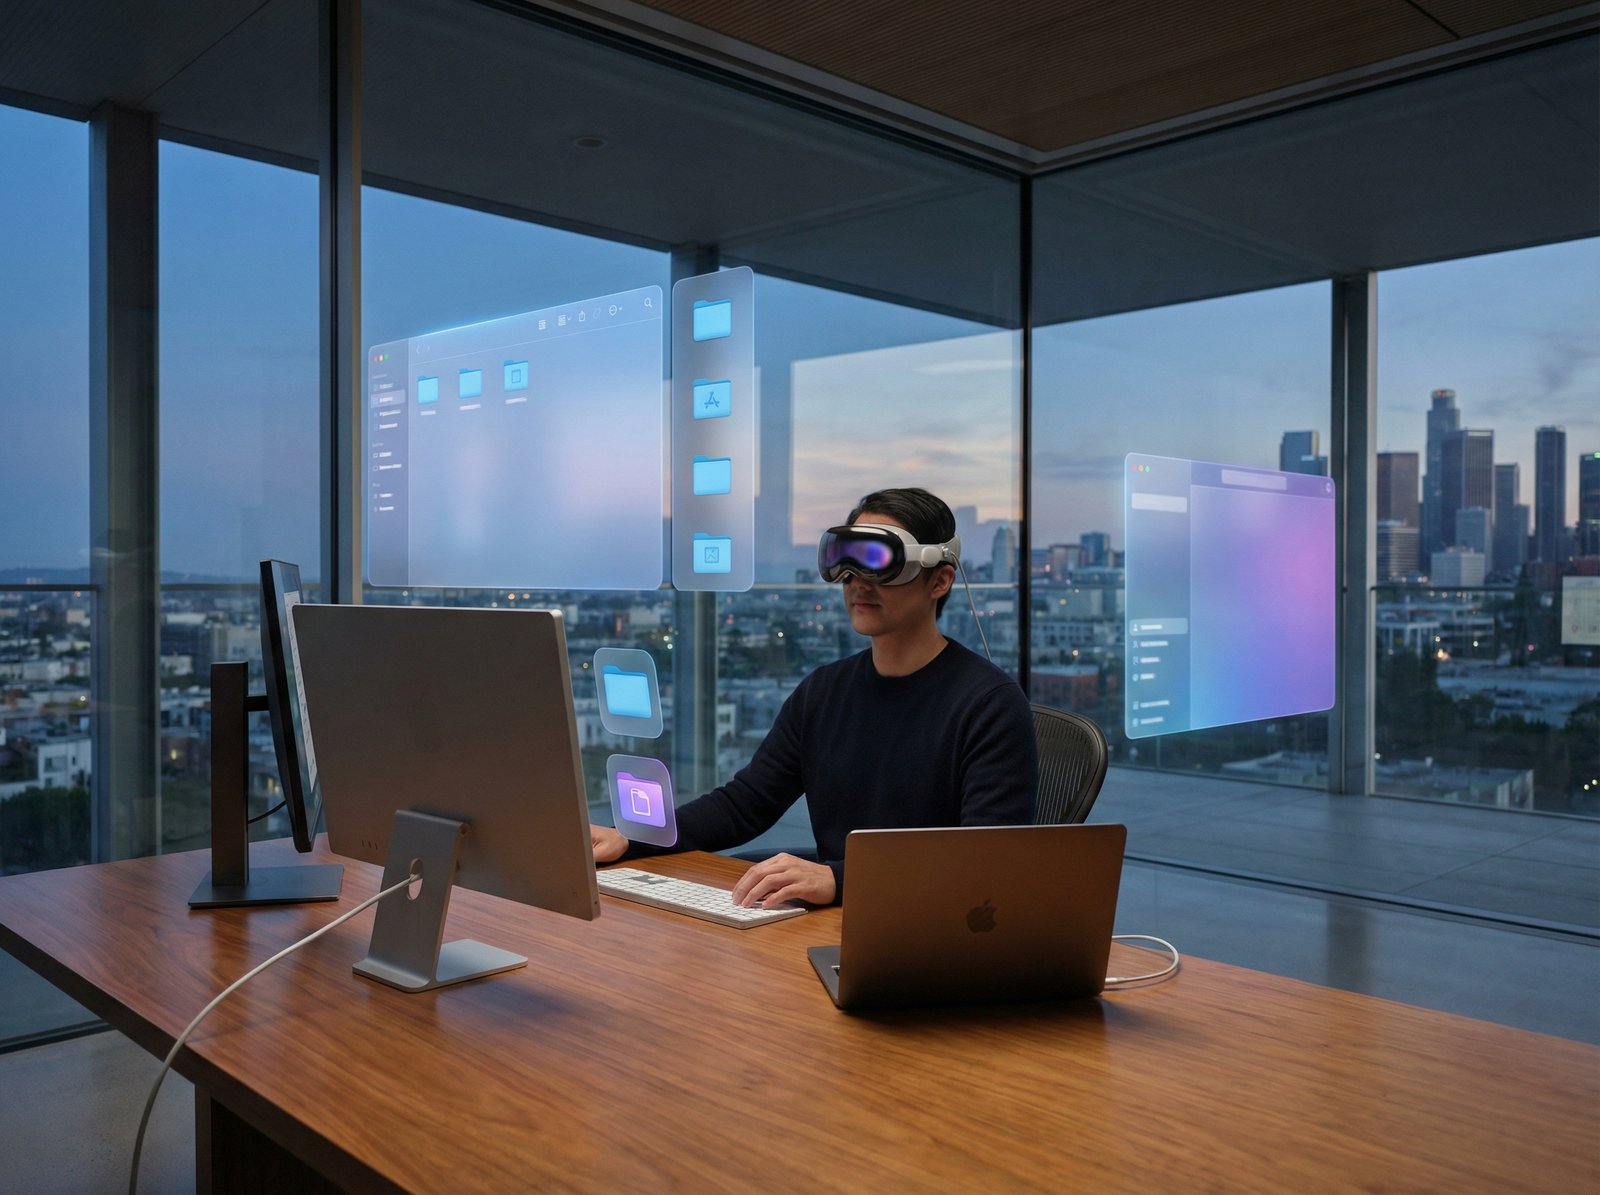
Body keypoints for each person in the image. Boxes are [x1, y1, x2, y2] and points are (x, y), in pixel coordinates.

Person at [591, 487, 1037, 906]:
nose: (856, 582)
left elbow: (982, 861)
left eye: (877, 561)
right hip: (837, 918)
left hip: (929, 926)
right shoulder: (825, 692)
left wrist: (840, 879)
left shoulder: (989, 705)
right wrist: (634, 837)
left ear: (939, 582)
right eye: (845, 562)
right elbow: (746, 803)